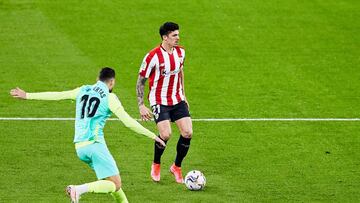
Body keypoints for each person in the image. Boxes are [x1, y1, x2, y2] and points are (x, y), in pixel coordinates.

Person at [10, 67, 166, 203]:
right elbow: (129, 122)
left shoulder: (82, 90)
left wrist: (27, 95)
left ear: (97, 79)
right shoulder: (110, 97)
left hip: (80, 147)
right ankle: (78, 189)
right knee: (116, 184)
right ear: (111, 83)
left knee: (111, 182)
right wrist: (153, 136)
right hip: (94, 145)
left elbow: (58, 95)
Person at [136, 22, 193, 184]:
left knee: (188, 132)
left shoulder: (181, 52)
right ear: (165, 37)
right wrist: (141, 105)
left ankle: (176, 166)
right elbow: (141, 81)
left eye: (178, 34)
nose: (178, 37)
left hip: (177, 99)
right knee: (166, 134)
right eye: (174, 35)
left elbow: (180, 71)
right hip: (159, 101)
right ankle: (156, 163)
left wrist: (184, 95)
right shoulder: (152, 56)